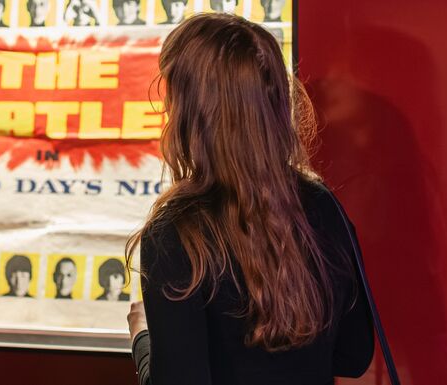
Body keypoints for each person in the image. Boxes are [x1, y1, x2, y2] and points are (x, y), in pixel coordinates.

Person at [124, 14, 374, 385]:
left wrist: (143, 337)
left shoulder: (177, 231)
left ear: (191, 112)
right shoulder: (322, 205)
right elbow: (354, 356)